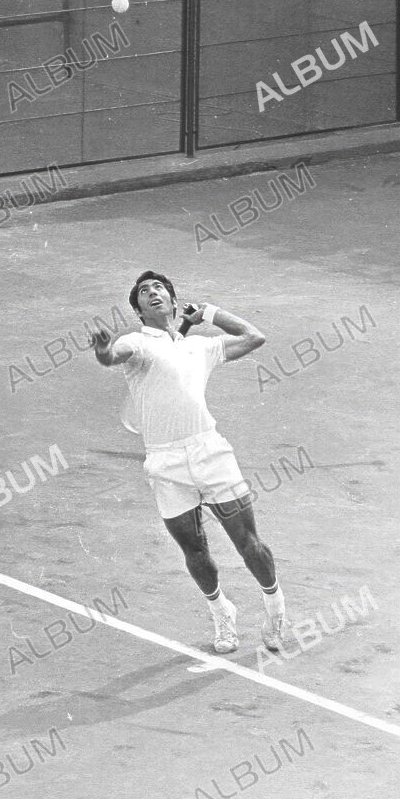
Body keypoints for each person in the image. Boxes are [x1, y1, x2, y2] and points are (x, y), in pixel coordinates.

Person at [91, 270, 286, 655]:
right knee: (194, 550)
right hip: (165, 463)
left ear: (174, 302)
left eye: (159, 288)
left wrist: (208, 312)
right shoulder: (137, 343)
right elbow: (111, 356)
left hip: (210, 453)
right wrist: (101, 350)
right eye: (144, 292)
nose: (152, 293)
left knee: (249, 545)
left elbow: (254, 337)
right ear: (140, 311)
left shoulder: (202, 347)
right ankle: (221, 614)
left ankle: (275, 610)